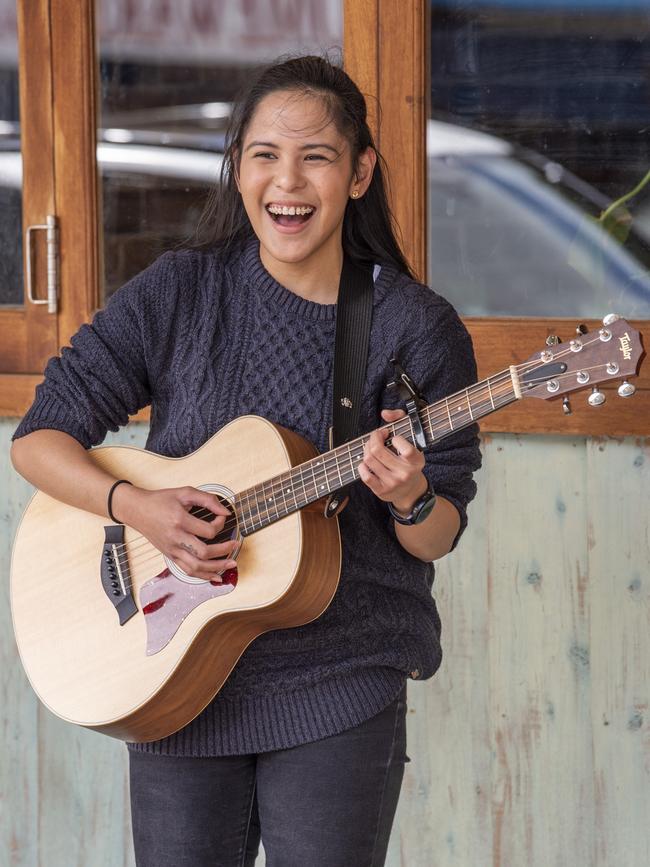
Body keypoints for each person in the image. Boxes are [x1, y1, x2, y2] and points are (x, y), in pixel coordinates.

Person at [11, 55, 481, 867]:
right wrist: (138, 507)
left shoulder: (414, 327)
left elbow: (437, 532)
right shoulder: (183, 292)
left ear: (360, 171)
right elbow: (39, 438)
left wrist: (409, 499)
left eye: (317, 157)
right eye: (264, 155)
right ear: (238, 168)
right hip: (172, 671)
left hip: (338, 679)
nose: (286, 182)